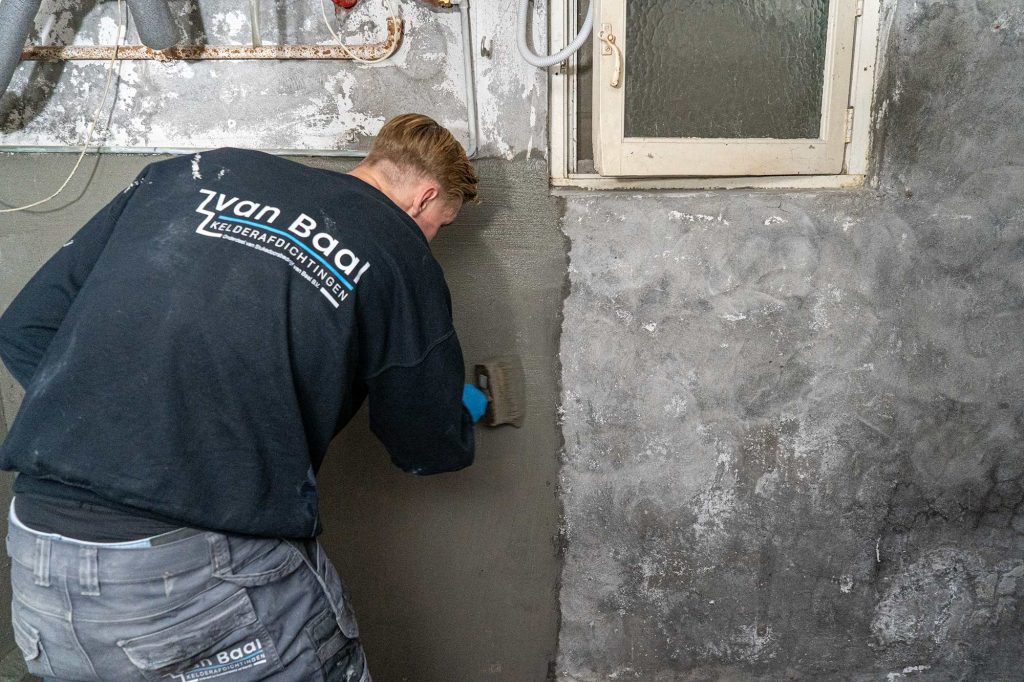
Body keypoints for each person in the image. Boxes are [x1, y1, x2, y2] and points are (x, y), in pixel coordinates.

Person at [0, 113, 488, 681]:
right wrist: (461, 411)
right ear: (423, 198)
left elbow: (24, 329)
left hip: (37, 561)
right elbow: (424, 444)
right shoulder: (398, 246)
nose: (429, 238)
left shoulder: (191, 174)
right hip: (195, 576)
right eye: (439, 225)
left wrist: (130, 423)